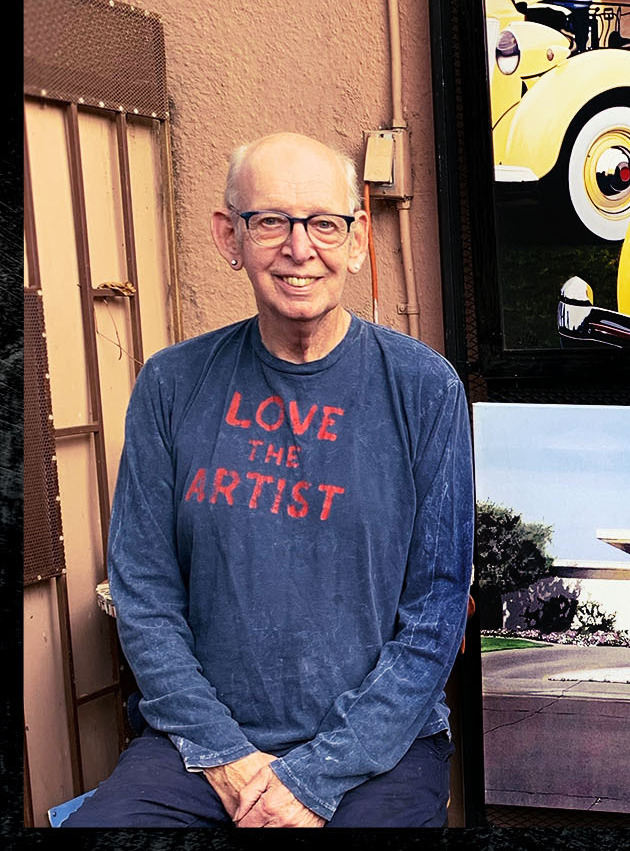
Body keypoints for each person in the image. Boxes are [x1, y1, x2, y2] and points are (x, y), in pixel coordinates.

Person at [64, 132, 474, 827]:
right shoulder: (172, 384)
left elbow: (436, 611)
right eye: (270, 221)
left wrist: (317, 775)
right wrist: (224, 754)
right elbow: (144, 592)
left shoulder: (423, 389)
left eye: (323, 223)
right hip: (200, 743)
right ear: (231, 237)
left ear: (357, 239)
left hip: (377, 752)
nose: (299, 247)